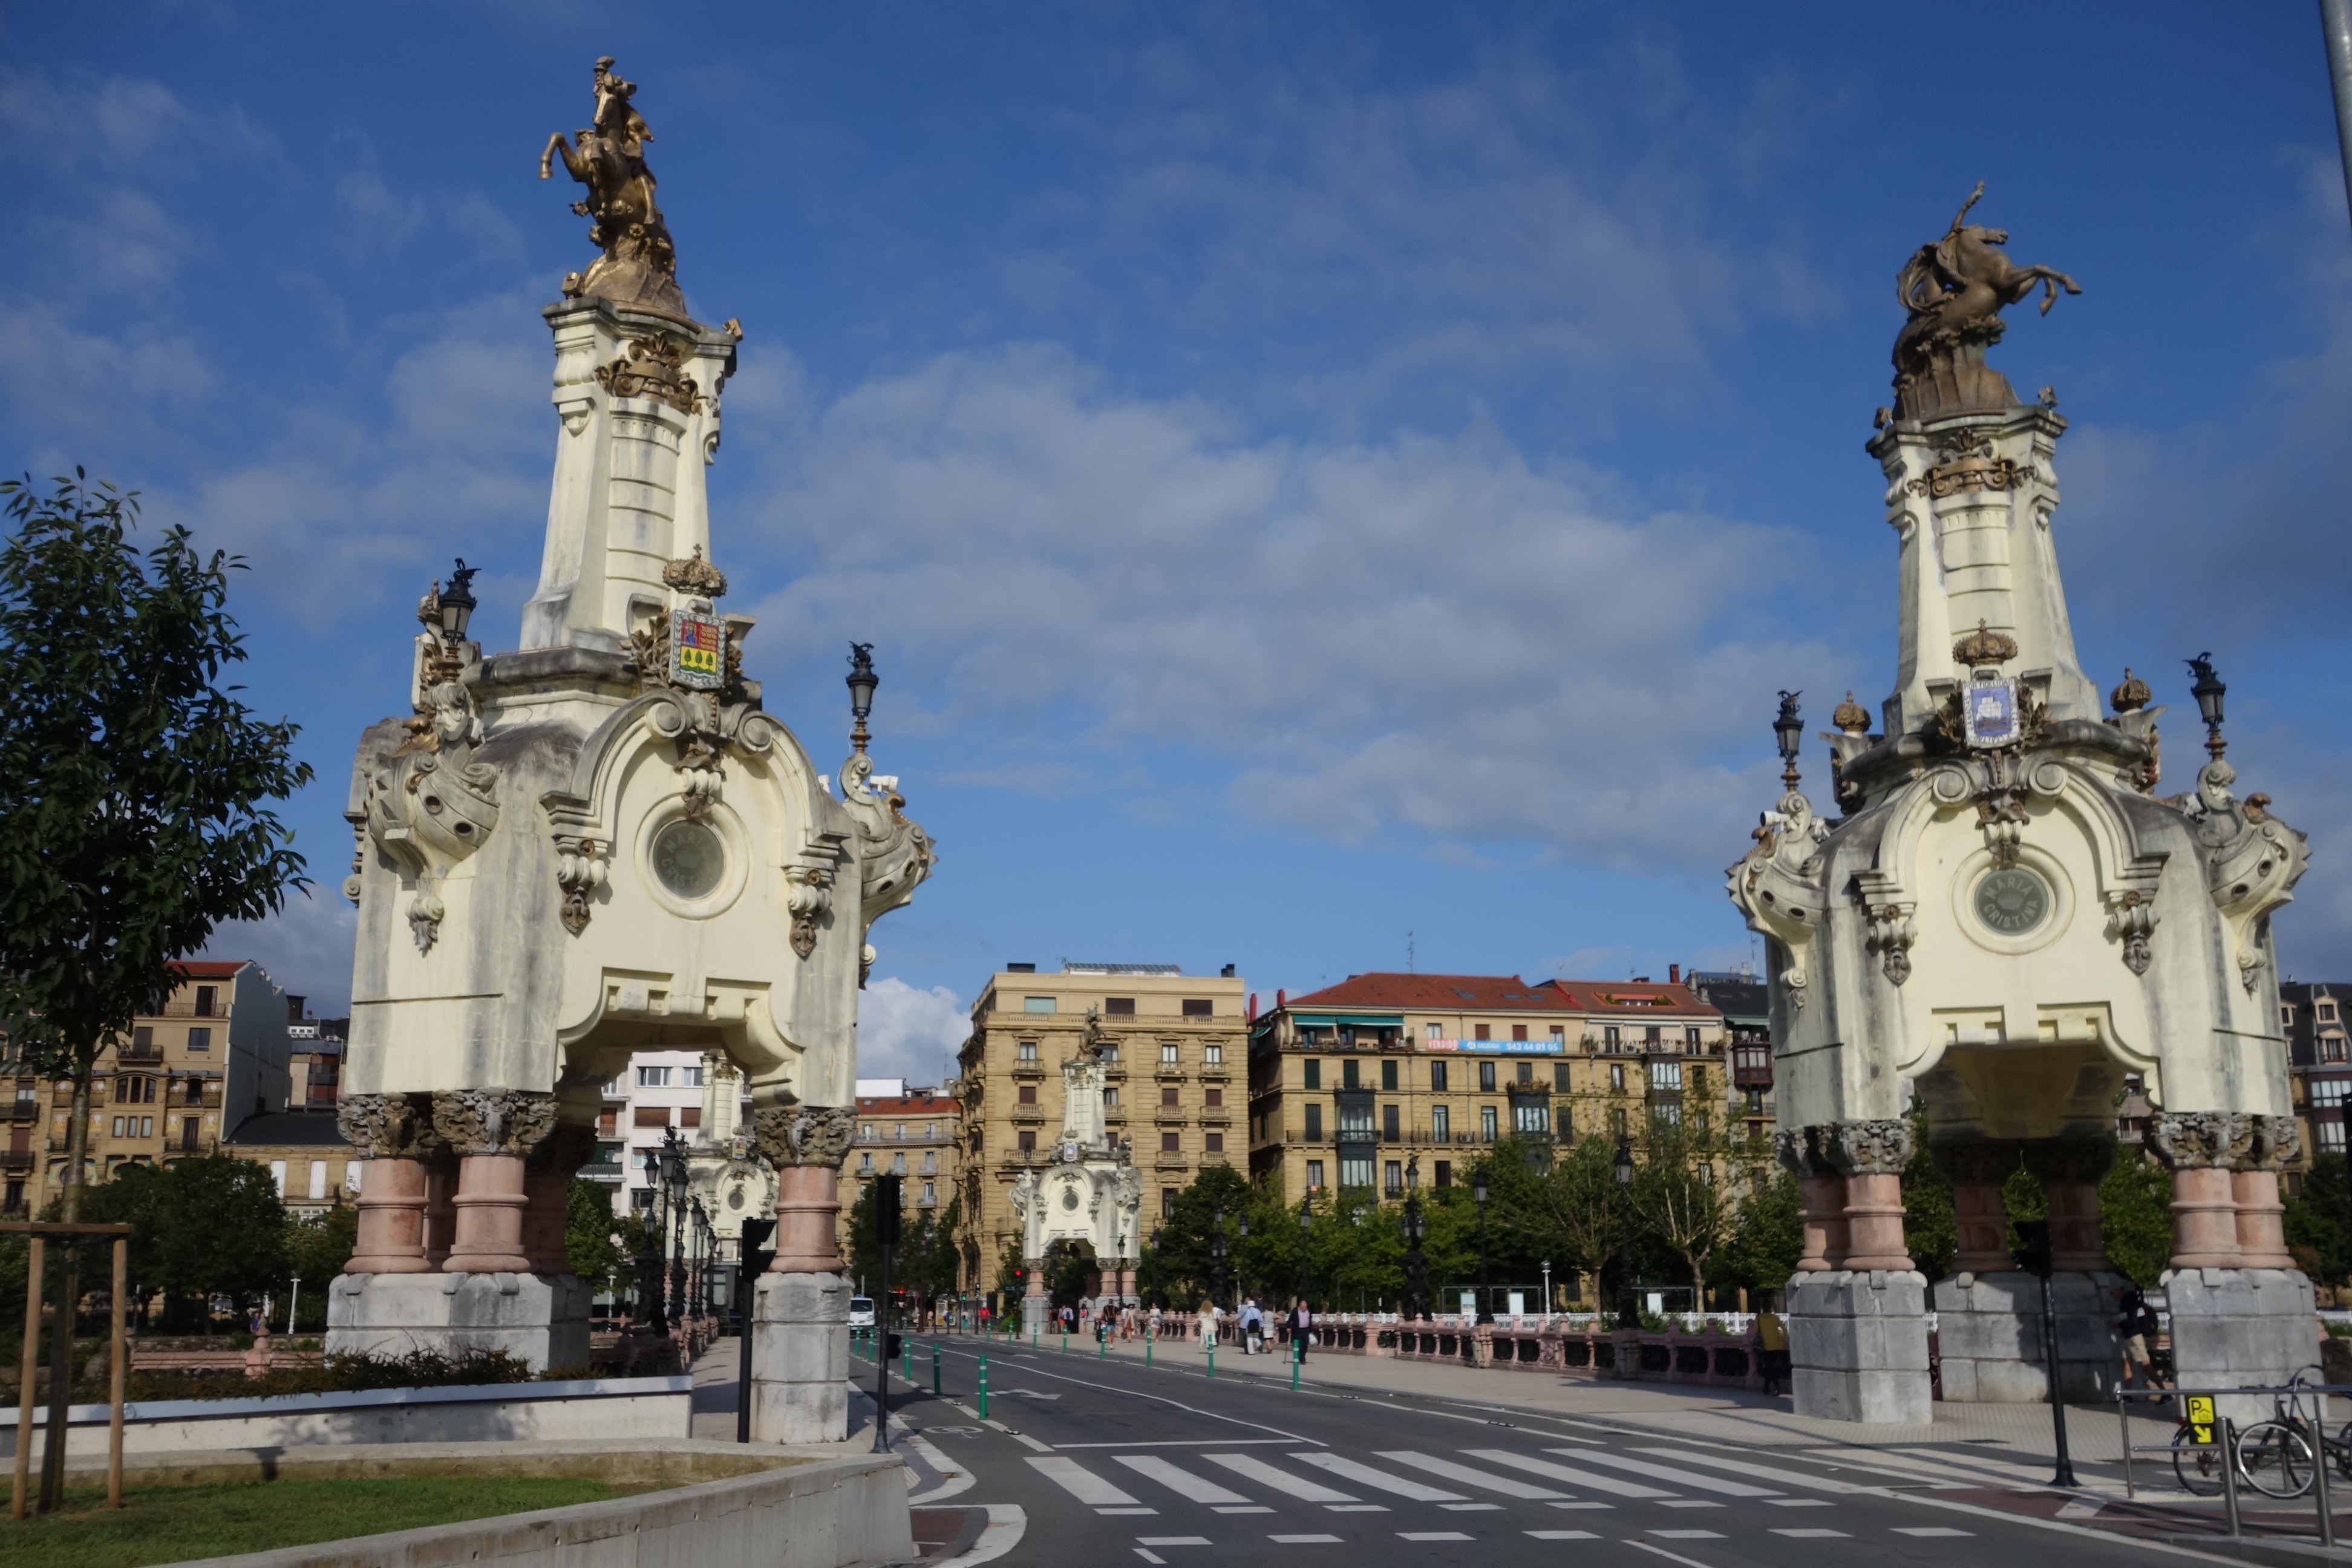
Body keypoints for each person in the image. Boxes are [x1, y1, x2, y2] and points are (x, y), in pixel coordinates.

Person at [2114, 1285, 2170, 1396]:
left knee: (2146, 1365)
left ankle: (2165, 1394)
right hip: (2129, 1337)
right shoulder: (2131, 1301)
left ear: (2120, 1289)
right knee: (2126, 1363)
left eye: (2112, 1292)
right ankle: (2128, 1395)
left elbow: (2131, 1321)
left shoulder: (2128, 1302)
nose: (2111, 1295)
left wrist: (2118, 1325)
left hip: (2134, 1337)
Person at [1756, 1302, 1789, 1397]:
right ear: (1770, 1308)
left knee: (1769, 1368)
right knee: (1772, 1367)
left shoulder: (1759, 1318)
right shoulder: (1775, 1318)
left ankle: (1775, 1388)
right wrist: (1782, 1340)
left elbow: (1755, 1331)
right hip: (1777, 1345)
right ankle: (1767, 1388)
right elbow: (1785, 1330)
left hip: (1765, 1346)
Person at [1290, 1297, 1312, 1362]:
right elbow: (1290, 1320)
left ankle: (1302, 1356)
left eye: (1305, 1307)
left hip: (1306, 1330)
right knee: (1300, 1345)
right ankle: (1302, 1359)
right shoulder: (1295, 1311)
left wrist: (1311, 1331)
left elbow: (1310, 1321)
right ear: (1300, 1306)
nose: (1304, 1309)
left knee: (1305, 1344)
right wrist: (1288, 1327)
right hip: (1298, 1330)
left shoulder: (1308, 1311)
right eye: (1303, 1308)